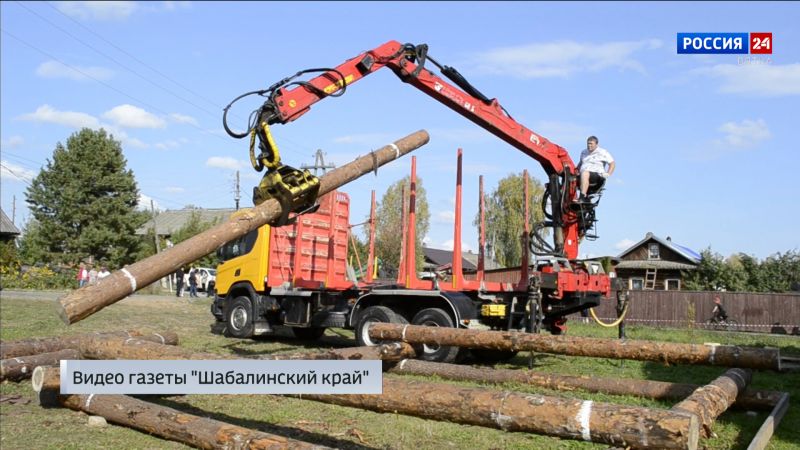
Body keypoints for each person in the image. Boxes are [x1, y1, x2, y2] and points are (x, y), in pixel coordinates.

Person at [576, 136, 615, 201]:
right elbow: (580, 163)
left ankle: (582, 197)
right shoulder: (583, 152)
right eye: (588, 143)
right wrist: (576, 170)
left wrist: (608, 174)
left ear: (596, 144)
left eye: (591, 144)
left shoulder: (602, 152)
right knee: (570, 177)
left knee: (585, 173)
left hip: (596, 175)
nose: (589, 145)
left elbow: (612, 163)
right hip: (583, 173)